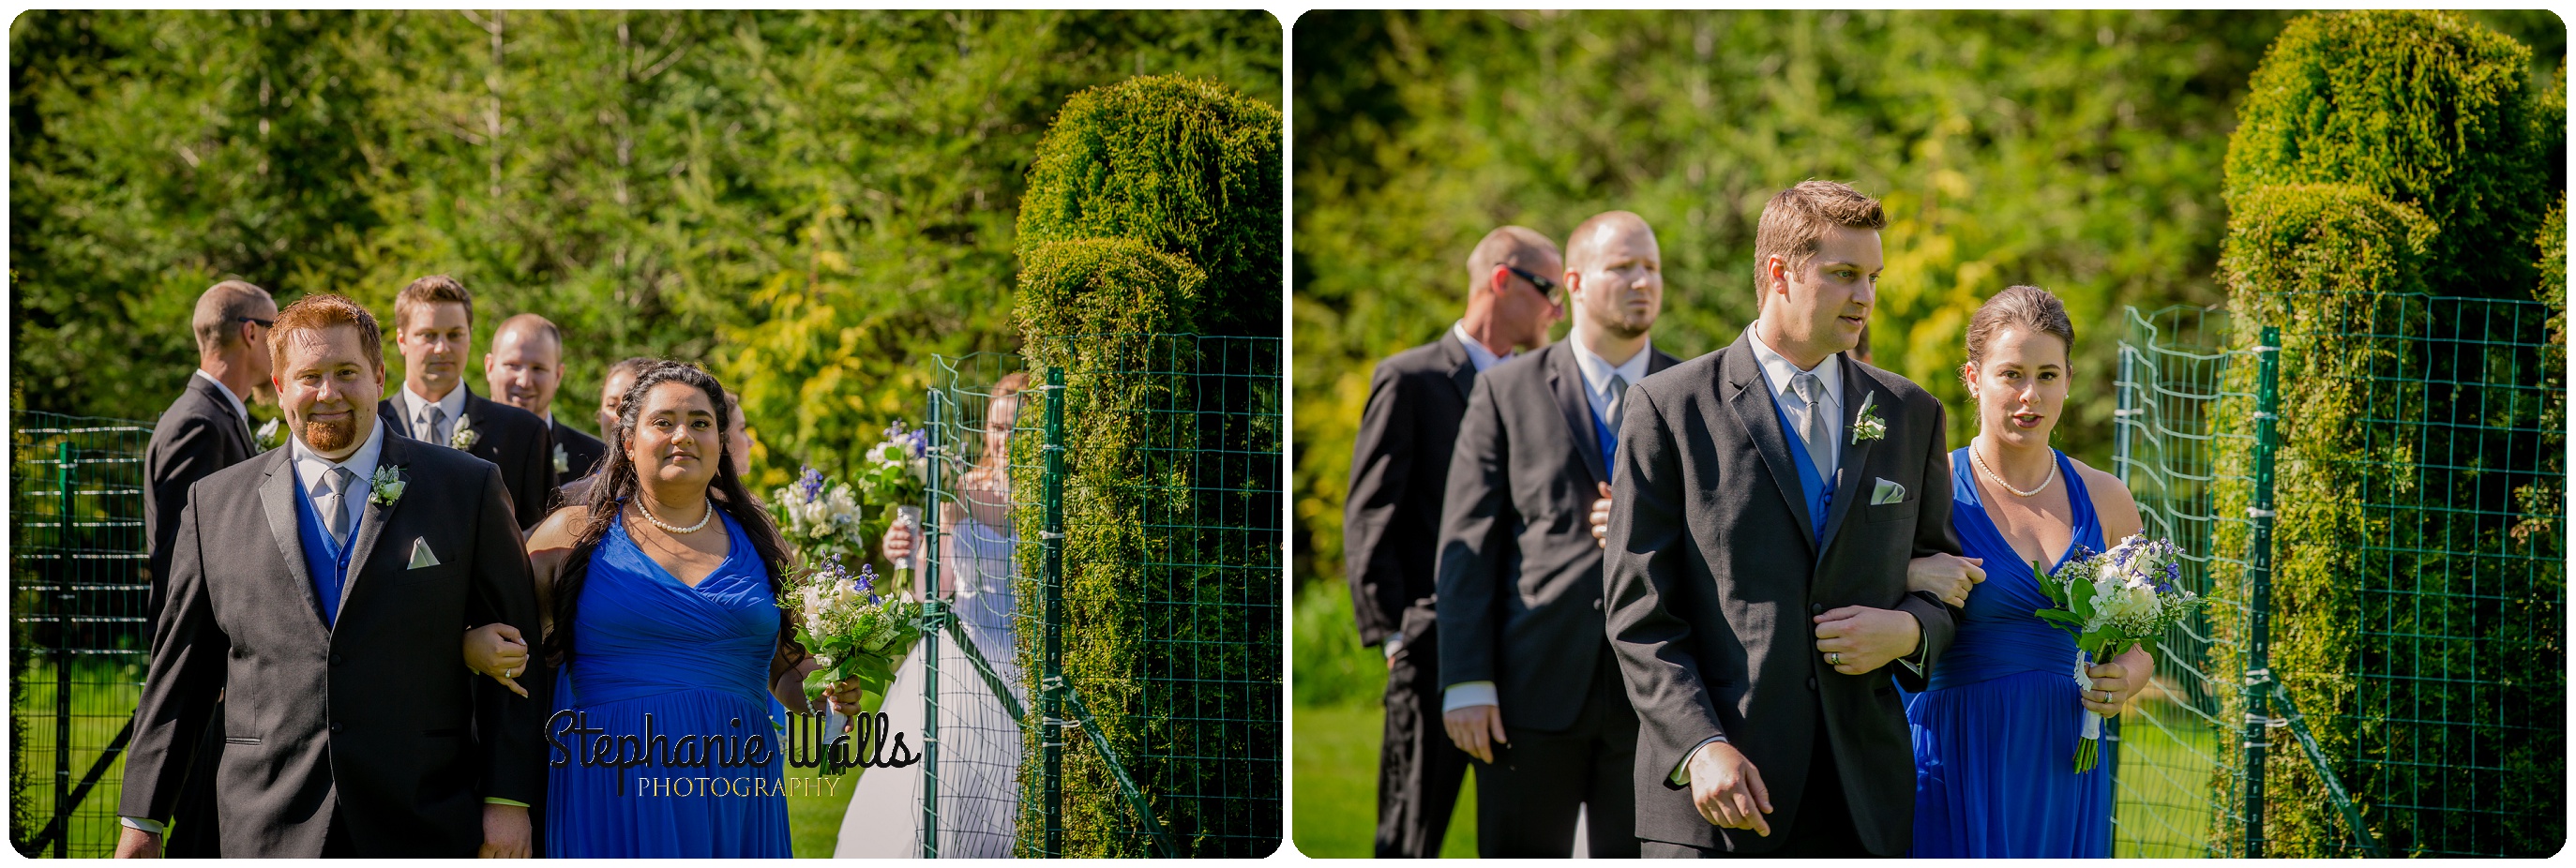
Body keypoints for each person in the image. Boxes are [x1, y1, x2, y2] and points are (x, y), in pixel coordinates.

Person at [1601, 181, 1962, 857]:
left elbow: (1944, 585)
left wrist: (1909, 629)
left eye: (1873, 277)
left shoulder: (1911, 415)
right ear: (1778, 274)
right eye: (1843, 274)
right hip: (1720, 797)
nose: (1865, 297)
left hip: (1861, 797)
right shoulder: (1668, 408)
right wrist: (1700, 748)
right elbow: (1638, 615)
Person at [114, 293, 545, 858]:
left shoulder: (466, 489)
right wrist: (143, 819)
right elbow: (180, 675)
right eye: (309, 376)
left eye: (346, 373)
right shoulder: (214, 505)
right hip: (266, 820)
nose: (328, 394)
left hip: (422, 815)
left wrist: (509, 802)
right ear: (278, 383)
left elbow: (518, 656)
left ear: (380, 376)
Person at [466, 361, 812, 857]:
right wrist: (471, 641)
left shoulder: (761, 540)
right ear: (628, 442)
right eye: (663, 422)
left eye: (700, 423)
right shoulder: (573, 535)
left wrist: (826, 694)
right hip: (610, 783)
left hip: (737, 785)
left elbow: (789, 672)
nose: (683, 436)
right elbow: (484, 617)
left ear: (721, 442)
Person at [1435, 213, 1672, 858]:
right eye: (1621, 267)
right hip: (1528, 694)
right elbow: (1468, 546)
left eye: (1650, 267)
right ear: (1573, 282)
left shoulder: (1691, 395)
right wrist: (1466, 680)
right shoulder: (1504, 391)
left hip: (1656, 699)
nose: (1641, 281)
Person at [1897, 285, 2149, 858]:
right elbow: (1859, 586)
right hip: (1955, 751)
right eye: (2011, 374)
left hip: (2067, 755)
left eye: (2048, 375)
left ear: (2068, 379)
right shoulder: (1927, 489)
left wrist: (2126, 677)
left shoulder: (2107, 499)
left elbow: (2139, 645)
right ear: (1972, 378)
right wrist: (1912, 573)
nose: (2030, 395)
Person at [1344, 226, 1562, 858]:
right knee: (1412, 838)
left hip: (1526, 655)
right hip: (1430, 648)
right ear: (1500, 279)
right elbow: (1369, 517)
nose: (1557, 308)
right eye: (1547, 288)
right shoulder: (1409, 379)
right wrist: (1393, 637)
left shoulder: (1543, 389)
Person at [835, 370, 1030, 857]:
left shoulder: (1058, 502)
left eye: (1018, 428)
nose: (1005, 440)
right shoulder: (958, 490)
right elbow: (929, 593)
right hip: (957, 656)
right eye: (998, 427)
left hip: (1027, 658)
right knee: (931, 792)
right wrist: (909, 549)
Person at [136, 278, 277, 857]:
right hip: (211, 676)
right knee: (198, 835)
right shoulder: (199, 423)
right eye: (277, 330)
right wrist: (210, 669)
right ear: (251, 333)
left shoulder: (222, 416)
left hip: (220, 676)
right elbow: (180, 564)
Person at [377, 275, 555, 531]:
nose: (442, 348)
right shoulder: (373, 425)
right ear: (402, 340)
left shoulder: (523, 432)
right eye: (428, 335)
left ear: (469, 336)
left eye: (454, 334)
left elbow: (543, 537)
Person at [486, 313, 607, 483]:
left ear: (558, 375)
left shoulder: (596, 459)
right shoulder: (455, 447)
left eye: (538, 368)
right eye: (512, 365)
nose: (524, 381)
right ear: (489, 367)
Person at [555, 357, 654, 509]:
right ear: (599, 416)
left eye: (632, 403)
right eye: (612, 404)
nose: (620, 414)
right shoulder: (572, 495)